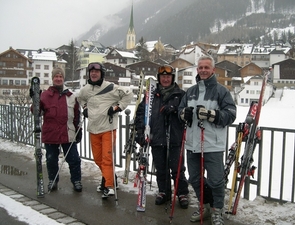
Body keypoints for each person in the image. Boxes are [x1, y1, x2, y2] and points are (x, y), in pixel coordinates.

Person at [178, 55, 236, 224]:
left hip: (213, 144)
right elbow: (181, 111)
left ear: (213, 70)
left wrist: (213, 115)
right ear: (197, 70)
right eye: (200, 67)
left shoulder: (221, 91)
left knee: (216, 180)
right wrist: (183, 114)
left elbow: (231, 114)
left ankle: (218, 210)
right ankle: (206, 206)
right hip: (193, 143)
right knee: (195, 178)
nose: (203, 70)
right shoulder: (190, 91)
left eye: (206, 67)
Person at [134, 65, 189, 209]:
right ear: (159, 78)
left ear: (172, 78)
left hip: (175, 138)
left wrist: (175, 110)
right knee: (161, 168)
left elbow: (187, 113)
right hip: (157, 137)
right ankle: (164, 191)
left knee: (177, 168)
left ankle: (182, 193)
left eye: (168, 77)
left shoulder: (181, 95)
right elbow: (141, 113)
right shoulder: (151, 95)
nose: (165, 79)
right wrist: (140, 131)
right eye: (163, 77)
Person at [77, 62, 133, 198]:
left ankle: (109, 186)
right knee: (98, 159)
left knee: (107, 159)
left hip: (108, 128)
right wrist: (85, 109)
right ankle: (110, 178)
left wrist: (116, 108)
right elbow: (79, 98)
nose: (94, 74)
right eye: (91, 72)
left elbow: (128, 94)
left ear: (101, 73)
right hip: (93, 129)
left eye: (97, 72)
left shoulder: (111, 87)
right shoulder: (86, 89)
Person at [30, 67, 83, 192]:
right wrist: (35, 100)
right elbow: (36, 112)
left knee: (74, 159)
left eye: (60, 77)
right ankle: (53, 180)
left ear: (63, 79)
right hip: (51, 133)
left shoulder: (71, 96)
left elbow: (76, 115)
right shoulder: (45, 96)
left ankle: (76, 180)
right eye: (56, 77)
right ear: (52, 78)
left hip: (68, 132)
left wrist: (78, 130)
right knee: (51, 159)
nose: (58, 79)